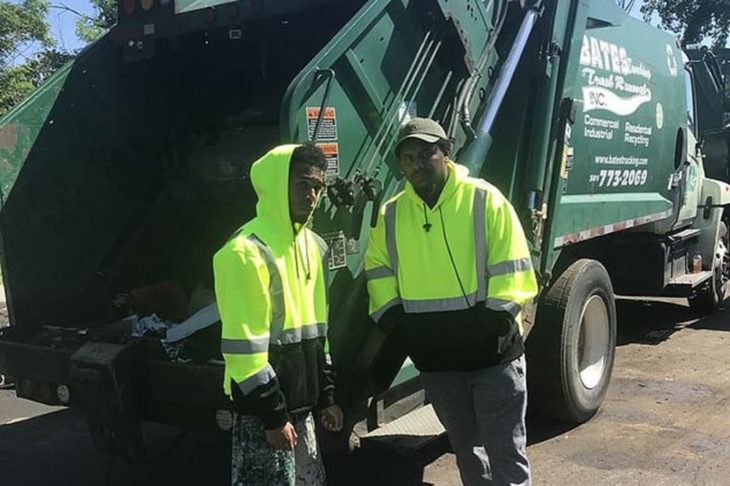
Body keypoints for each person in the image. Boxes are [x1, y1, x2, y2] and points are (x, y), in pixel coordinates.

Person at [365, 118, 538, 485]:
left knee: (505, 452)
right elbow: (377, 270)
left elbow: (514, 270)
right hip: (438, 363)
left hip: (491, 360)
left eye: (426, 153)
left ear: (446, 153)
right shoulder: (392, 214)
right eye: (408, 157)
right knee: (467, 453)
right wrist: (399, 325)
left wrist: (488, 327)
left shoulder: (483, 199)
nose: (416, 164)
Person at [213, 143, 343, 486]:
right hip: (263, 416)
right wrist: (273, 418)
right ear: (275, 184)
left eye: (318, 187)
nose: (312, 196)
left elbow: (319, 332)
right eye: (302, 185)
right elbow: (244, 354)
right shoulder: (245, 252)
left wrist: (327, 396)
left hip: (301, 409)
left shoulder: (313, 247)